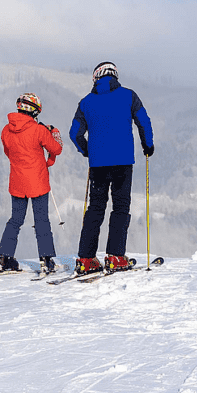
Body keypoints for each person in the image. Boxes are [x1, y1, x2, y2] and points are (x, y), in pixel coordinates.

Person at [69, 62, 154, 275]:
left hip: (98, 164)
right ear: (115, 75)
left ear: (96, 78)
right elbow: (143, 121)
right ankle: (115, 256)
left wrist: (88, 150)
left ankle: (86, 258)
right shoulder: (129, 96)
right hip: (123, 162)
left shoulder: (86, 102)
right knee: (120, 207)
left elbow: (75, 134)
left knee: (95, 208)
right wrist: (148, 145)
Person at [0, 92, 63, 274]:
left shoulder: (6, 130)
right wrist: (54, 132)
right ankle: (46, 259)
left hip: (17, 182)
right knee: (41, 220)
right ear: (34, 111)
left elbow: (9, 152)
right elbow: (56, 148)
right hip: (38, 182)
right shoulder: (39, 130)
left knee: (15, 220)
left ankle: (4, 258)